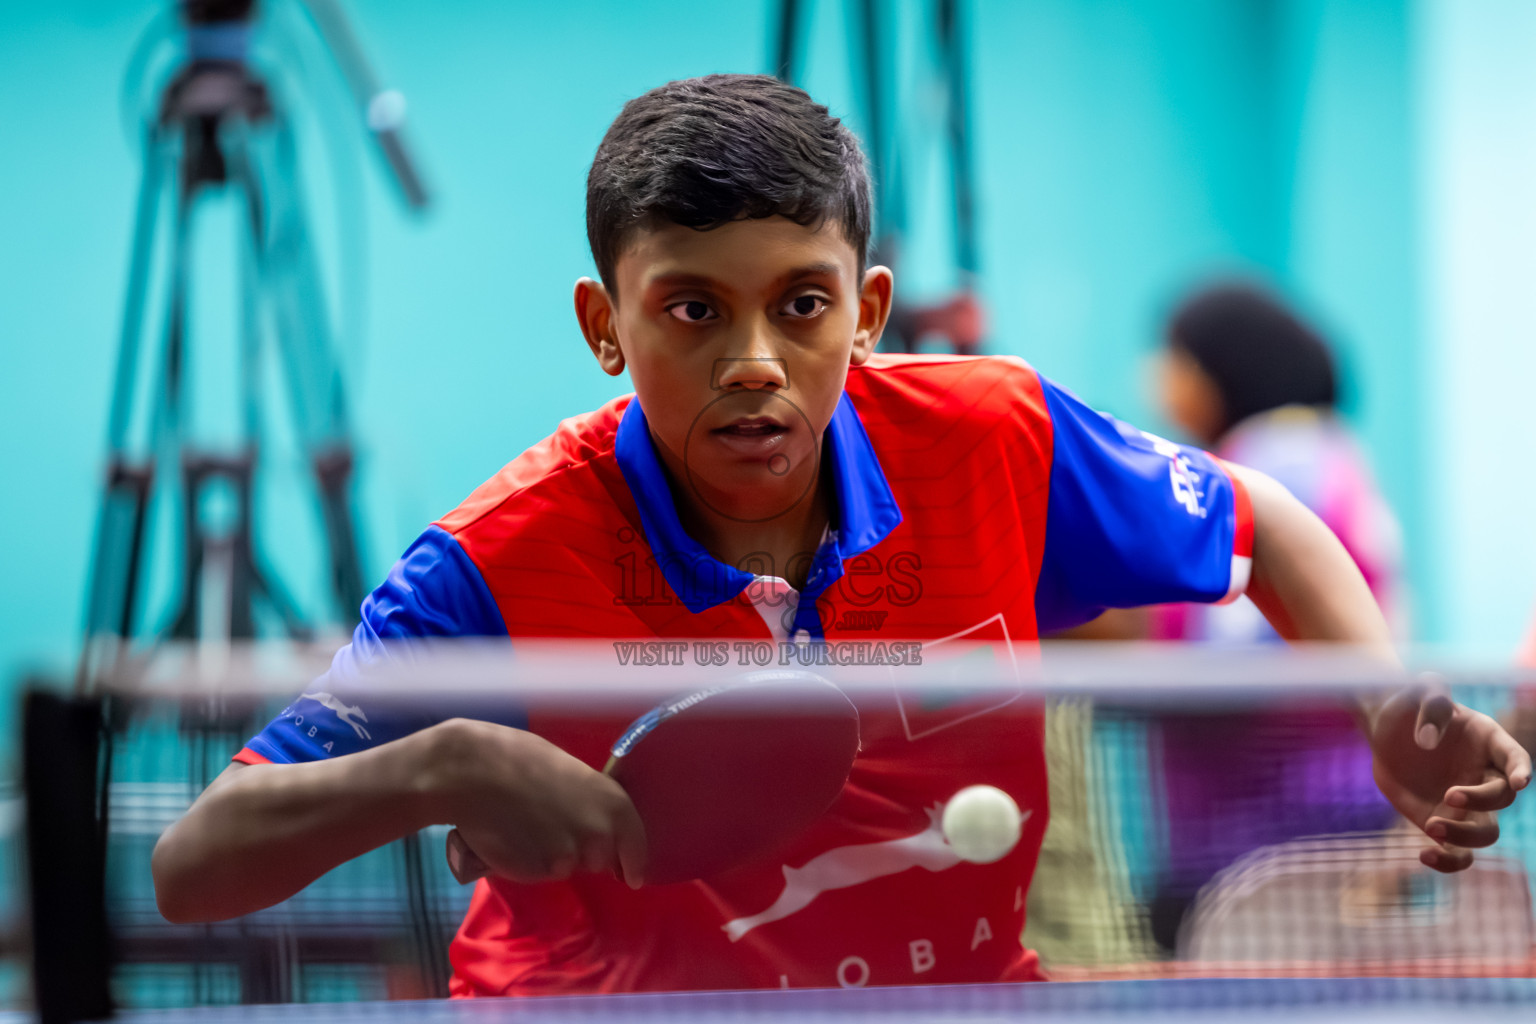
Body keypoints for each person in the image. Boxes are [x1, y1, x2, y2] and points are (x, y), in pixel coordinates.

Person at [151, 75, 1530, 996]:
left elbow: (1260, 523)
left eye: (800, 304)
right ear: (602, 326)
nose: (755, 361)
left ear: (867, 308)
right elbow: (195, 867)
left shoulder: (997, 441)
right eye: (692, 309)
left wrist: (1384, 703)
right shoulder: (494, 563)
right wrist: (442, 760)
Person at [1146, 283, 1410, 951]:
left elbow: (1232, 666)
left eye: (1171, 357)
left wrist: (1121, 680)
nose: (1155, 376)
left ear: (1215, 368)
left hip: (1271, 840)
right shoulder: (1333, 451)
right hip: (1330, 818)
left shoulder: (1273, 460)